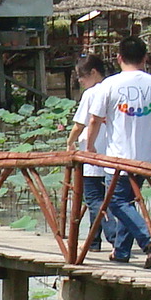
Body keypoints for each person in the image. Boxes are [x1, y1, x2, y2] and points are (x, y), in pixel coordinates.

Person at [79, 36, 151, 266]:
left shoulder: (110, 85)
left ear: (119, 57)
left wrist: (91, 147)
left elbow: (94, 120)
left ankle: (149, 239)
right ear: (145, 58)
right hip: (144, 157)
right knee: (127, 202)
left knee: (115, 203)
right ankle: (121, 252)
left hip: (117, 158)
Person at [66, 55, 111, 253]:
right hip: (112, 153)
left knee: (93, 199)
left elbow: (79, 125)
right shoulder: (113, 88)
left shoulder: (92, 93)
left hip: (92, 151)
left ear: (93, 73)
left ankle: (115, 236)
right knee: (107, 198)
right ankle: (94, 242)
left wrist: (69, 142)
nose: (80, 81)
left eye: (81, 77)